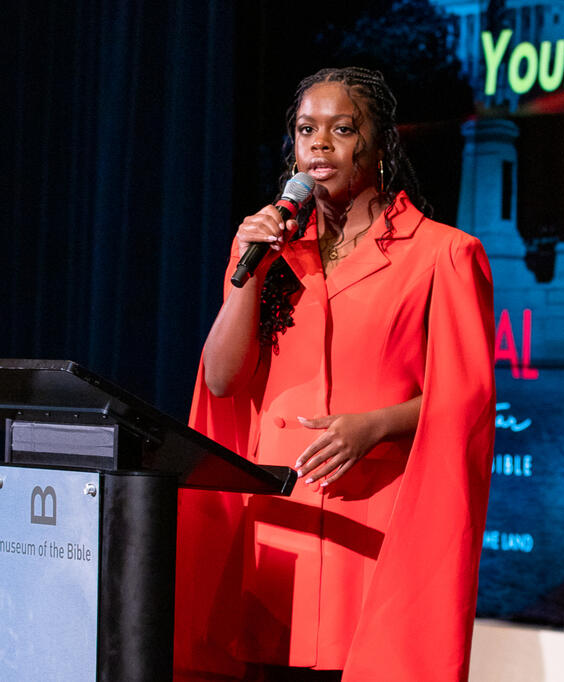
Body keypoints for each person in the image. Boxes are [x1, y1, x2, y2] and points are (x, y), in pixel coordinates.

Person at [174, 67, 496, 682]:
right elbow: (220, 380)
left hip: (373, 521)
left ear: (379, 147)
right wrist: (249, 270)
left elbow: (467, 400)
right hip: (277, 522)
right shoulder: (268, 252)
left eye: (341, 129)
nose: (319, 144)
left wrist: (375, 425)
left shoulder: (442, 255)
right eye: (305, 129)